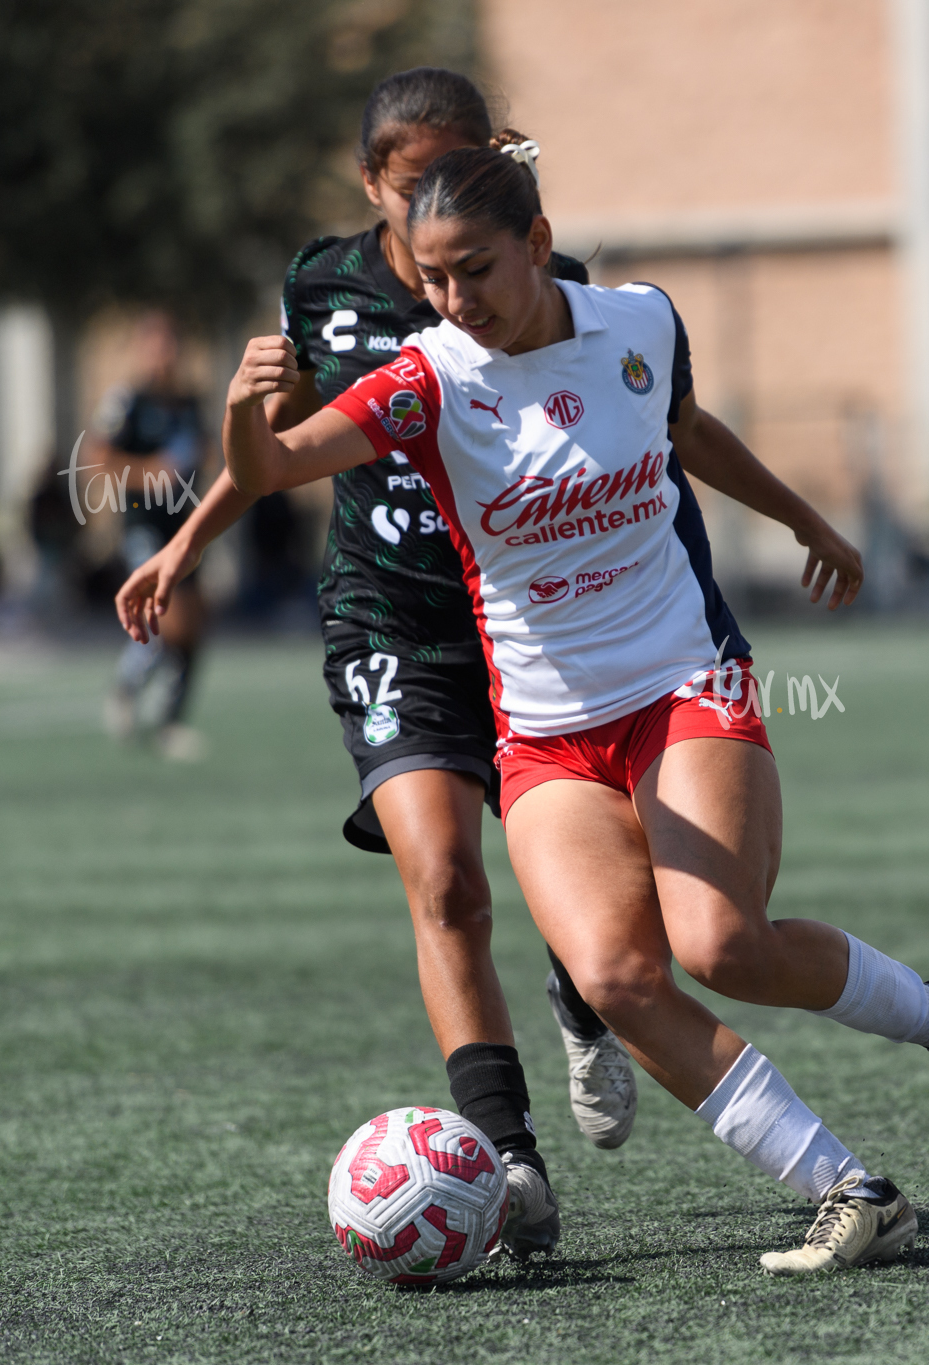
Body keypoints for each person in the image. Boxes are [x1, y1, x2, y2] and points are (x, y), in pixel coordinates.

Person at [218, 144, 929, 1274]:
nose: (456, 300)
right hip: (545, 734)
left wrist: (807, 521)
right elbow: (271, 468)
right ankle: (853, 1193)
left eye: (476, 270)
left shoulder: (640, 323)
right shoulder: (426, 377)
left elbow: (687, 432)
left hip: (681, 684)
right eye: (433, 278)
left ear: (537, 243)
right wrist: (241, 413)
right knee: (613, 977)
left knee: (724, 946)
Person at [115, 69, 631, 1257]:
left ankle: (581, 994)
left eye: (466, 171)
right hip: (387, 619)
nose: (439, 204)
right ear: (370, 186)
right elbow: (283, 449)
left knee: (583, 901)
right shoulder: (321, 283)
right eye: (412, 185)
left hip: (530, 624)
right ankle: (507, 1161)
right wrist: (186, 547)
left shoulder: (544, 288)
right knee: (444, 878)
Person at [94, 310, 210, 761]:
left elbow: (202, 454)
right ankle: (125, 690)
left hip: (185, 527)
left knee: (195, 625)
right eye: (154, 343)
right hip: (143, 524)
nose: (163, 353)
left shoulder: (189, 402)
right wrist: (149, 473)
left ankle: (171, 721)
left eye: (170, 342)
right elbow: (100, 458)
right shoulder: (128, 401)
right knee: (161, 621)